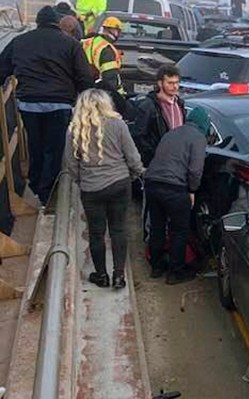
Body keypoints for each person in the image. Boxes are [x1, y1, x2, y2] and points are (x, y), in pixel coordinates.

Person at [0, 6, 94, 205]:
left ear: (38, 22)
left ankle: (35, 183)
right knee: (54, 147)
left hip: (29, 104)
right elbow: (85, 77)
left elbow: (2, 69)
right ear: (56, 23)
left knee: (35, 143)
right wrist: (83, 101)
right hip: (59, 105)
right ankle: (48, 191)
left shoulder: (19, 41)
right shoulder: (70, 44)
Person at [64, 89, 144, 289]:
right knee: (118, 229)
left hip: (91, 189)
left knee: (96, 233)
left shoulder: (74, 129)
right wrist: (133, 175)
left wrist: (83, 181)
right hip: (119, 183)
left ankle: (101, 275)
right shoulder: (118, 125)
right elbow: (133, 158)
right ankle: (119, 276)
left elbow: (71, 164)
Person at [143, 107, 210, 285]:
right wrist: (192, 190)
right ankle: (175, 272)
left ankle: (156, 267)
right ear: (204, 124)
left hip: (151, 184)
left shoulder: (171, 133)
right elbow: (196, 170)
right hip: (174, 188)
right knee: (179, 231)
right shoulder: (198, 138)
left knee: (157, 226)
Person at [132, 64, 185, 166]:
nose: (175, 86)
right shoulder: (148, 106)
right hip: (157, 162)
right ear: (160, 83)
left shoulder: (180, 104)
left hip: (177, 160)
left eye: (177, 83)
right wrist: (155, 155)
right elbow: (139, 136)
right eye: (170, 83)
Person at [82, 17, 130, 117]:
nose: (118, 34)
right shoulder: (107, 49)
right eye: (118, 31)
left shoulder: (85, 41)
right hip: (100, 95)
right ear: (112, 30)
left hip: (82, 92)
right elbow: (110, 78)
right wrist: (118, 100)